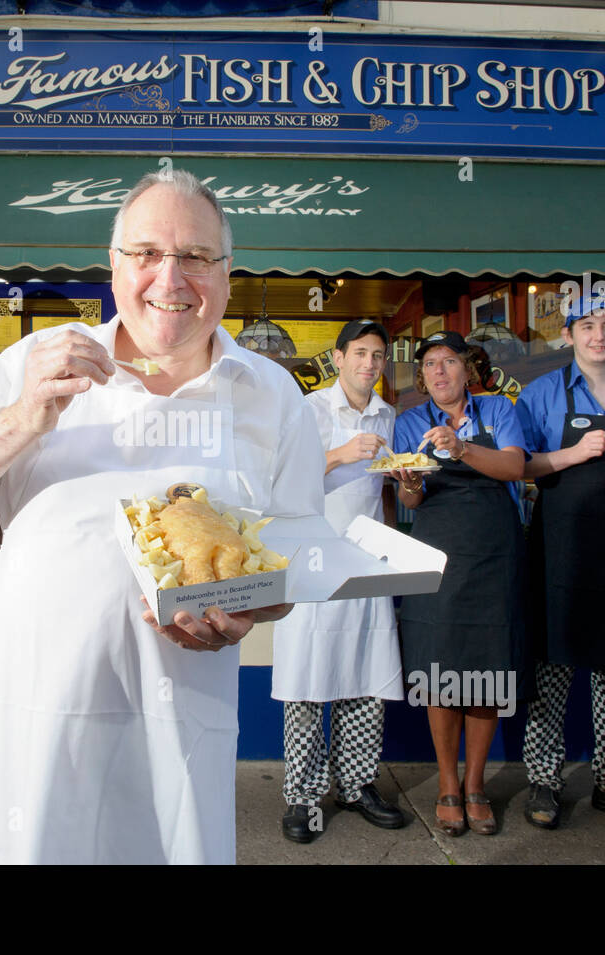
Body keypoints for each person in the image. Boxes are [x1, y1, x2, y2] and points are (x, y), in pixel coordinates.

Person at [0, 168, 324, 864]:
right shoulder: (41, 360)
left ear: (227, 272)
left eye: (195, 257)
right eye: (147, 254)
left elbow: (297, 565)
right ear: (114, 266)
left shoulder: (271, 395)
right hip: (29, 733)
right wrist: (26, 415)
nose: (170, 278)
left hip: (176, 742)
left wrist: (247, 610)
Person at [515, 294, 605, 829]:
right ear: (569, 335)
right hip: (561, 546)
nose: (597, 335)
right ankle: (544, 782)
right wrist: (575, 453)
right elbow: (521, 465)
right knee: (551, 670)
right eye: (586, 326)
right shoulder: (541, 393)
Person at [272, 319, 406, 843]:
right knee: (307, 680)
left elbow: (383, 493)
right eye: (360, 353)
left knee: (365, 676)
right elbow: (279, 480)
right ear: (338, 357)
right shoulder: (310, 410)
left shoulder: (387, 413)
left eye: (378, 355)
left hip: (367, 559)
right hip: (313, 561)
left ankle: (356, 783)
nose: (369, 364)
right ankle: (302, 796)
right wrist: (338, 455)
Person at [390, 330, 529, 837]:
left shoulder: (498, 411)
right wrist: (408, 483)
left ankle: (476, 785)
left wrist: (462, 446)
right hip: (438, 557)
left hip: (494, 558)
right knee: (440, 670)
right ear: (422, 376)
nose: (439, 372)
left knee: (487, 671)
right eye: (429, 365)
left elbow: (514, 466)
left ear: (467, 370)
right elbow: (412, 501)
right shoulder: (410, 422)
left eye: (448, 362)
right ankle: (448, 784)